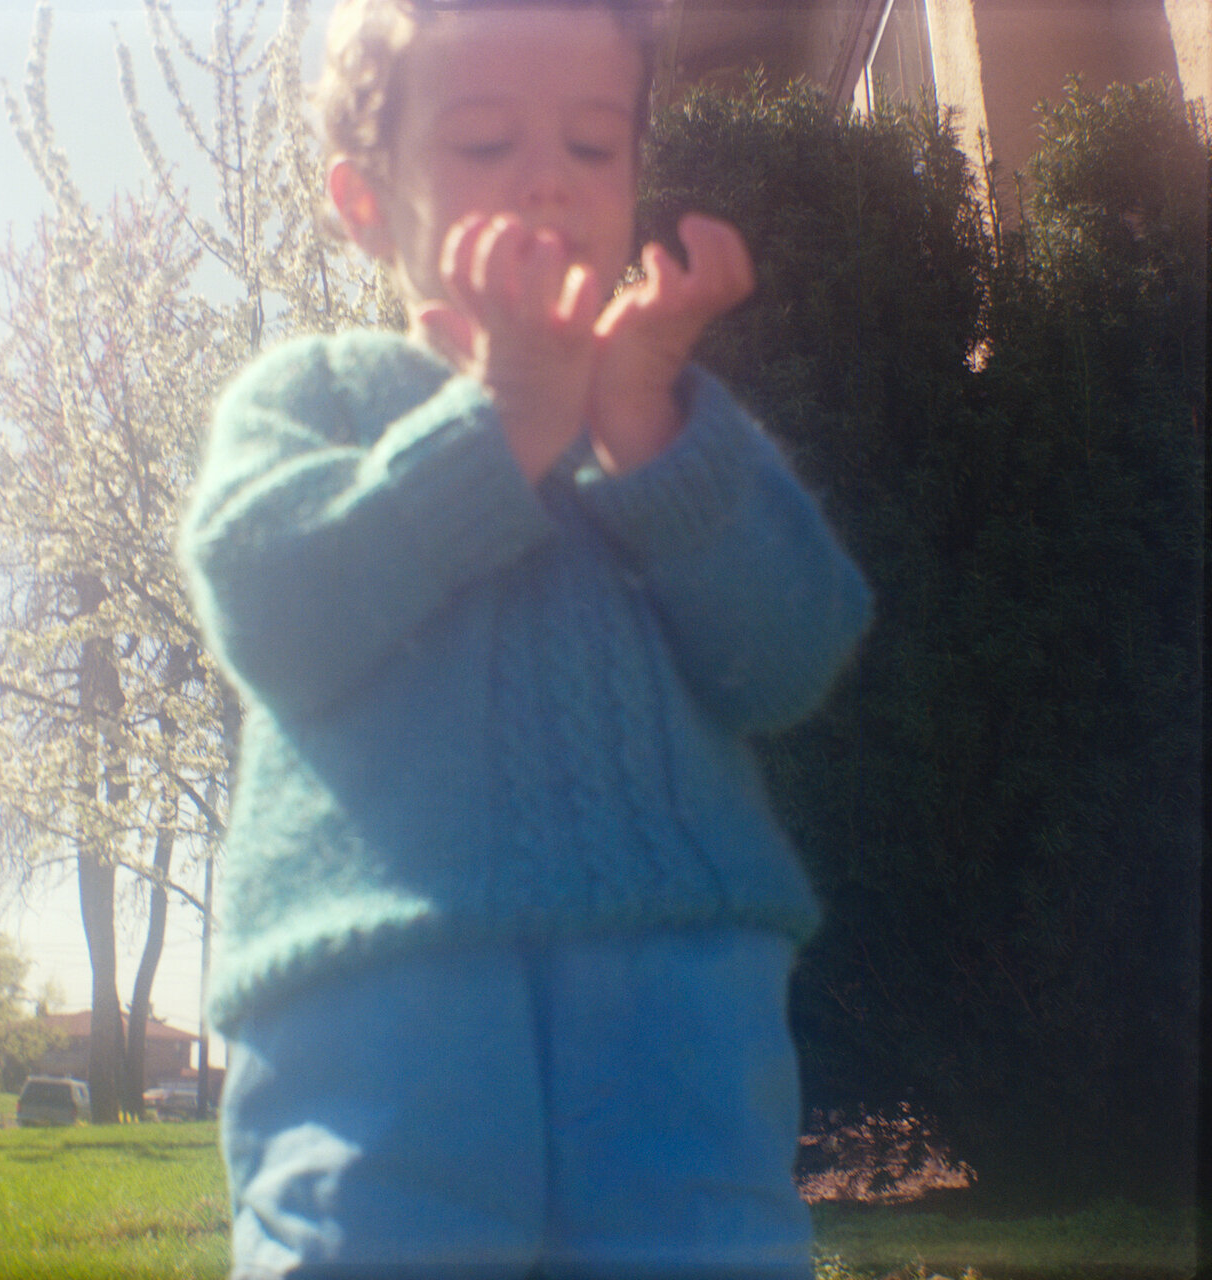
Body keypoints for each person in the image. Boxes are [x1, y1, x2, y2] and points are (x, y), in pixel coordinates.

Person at [179, 0, 872, 1275]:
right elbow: (271, 605)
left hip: (678, 975)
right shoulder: (318, 396)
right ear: (367, 200)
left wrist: (646, 435)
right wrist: (499, 420)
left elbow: (790, 654)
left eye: (595, 146)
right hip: (381, 969)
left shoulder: (663, 417)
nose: (549, 176)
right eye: (486, 142)